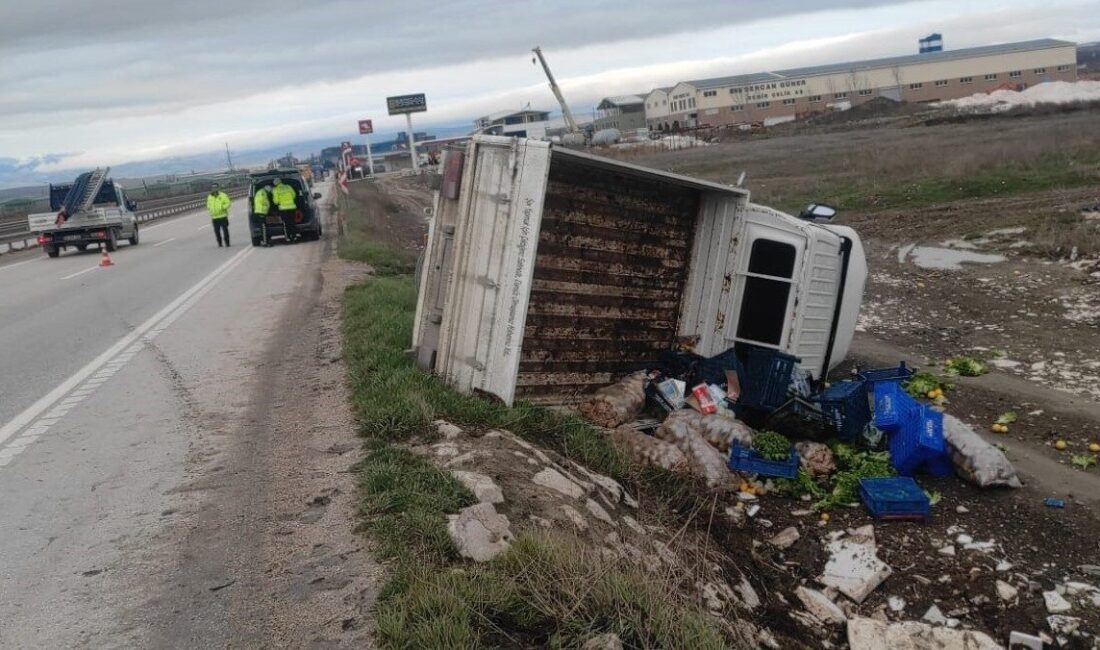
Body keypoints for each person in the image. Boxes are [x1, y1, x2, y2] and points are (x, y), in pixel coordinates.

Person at [271, 178, 298, 242]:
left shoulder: (276, 189)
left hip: (283, 209)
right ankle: (294, 236)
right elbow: (294, 195)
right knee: (292, 222)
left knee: (286, 223)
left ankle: (288, 237)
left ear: (275, 184)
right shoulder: (288, 187)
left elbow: (276, 201)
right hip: (292, 207)